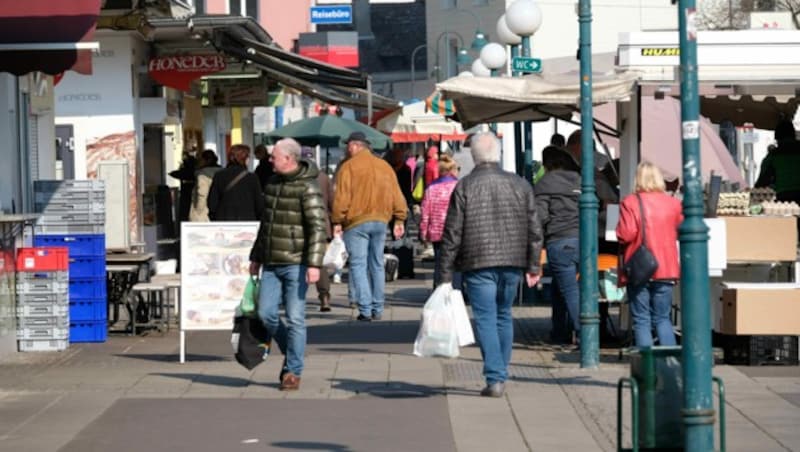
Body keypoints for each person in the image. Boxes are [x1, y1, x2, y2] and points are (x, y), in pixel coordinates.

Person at [440, 132, 543, 398]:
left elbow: (453, 233)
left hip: (478, 261)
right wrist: (533, 265)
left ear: (474, 156)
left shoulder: (464, 186)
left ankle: (495, 377)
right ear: (497, 154)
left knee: (485, 317)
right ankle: (500, 372)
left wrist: (444, 274)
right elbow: (535, 229)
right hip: (512, 261)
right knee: (503, 315)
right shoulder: (520, 185)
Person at [248, 138, 328, 391]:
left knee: (295, 318)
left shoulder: (308, 187)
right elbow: (266, 225)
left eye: (274, 156)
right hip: (271, 261)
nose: (269, 160)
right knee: (265, 313)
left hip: (297, 263)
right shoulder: (271, 183)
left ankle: (293, 371)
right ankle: (291, 350)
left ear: (289, 159)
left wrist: (314, 264)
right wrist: (256, 256)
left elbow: (317, 227)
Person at [331, 132, 408, 321]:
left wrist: (337, 220)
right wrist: (399, 218)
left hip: (356, 221)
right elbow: (396, 194)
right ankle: (378, 308)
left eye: (348, 145)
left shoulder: (348, 167)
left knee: (358, 264)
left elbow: (342, 198)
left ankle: (365, 309)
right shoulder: (385, 167)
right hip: (381, 220)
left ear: (356, 146)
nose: (347, 148)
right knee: (377, 264)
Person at [616, 162, 682, 348]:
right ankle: (669, 363)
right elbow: (680, 230)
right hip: (666, 267)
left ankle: (646, 366)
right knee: (662, 318)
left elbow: (626, 234)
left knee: (642, 320)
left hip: (640, 268)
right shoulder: (673, 204)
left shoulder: (630, 202)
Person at [534, 145, 581, 345]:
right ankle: (560, 331)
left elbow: (540, 217)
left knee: (569, 290)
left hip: (560, 241)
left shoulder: (545, 183)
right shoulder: (580, 180)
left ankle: (585, 336)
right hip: (583, 241)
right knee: (561, 287)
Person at [420, 154, 460, 289]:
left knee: (439, 262)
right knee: (456, 263)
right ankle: (457, 291)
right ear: (453, 170)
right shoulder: (459, 187)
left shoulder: (431, 188)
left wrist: (423, 233)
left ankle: (439, 290)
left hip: (437, 232)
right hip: (456, 231)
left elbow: (425, 213)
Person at [303, 147, 335, 312]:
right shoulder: (323, 177)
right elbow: (331, 202)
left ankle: (297, 298)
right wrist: (334, 223)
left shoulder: (297, 177)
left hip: (301, 225)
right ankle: (324, 296)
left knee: (299, 262)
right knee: (319, 263)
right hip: (322, 226)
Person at [207, 144, 264, 221]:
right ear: (245, 159)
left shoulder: (219, 176)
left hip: (224, 221)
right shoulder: (252, 178)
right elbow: (259, 205)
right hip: (247, 222)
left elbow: (212, 203)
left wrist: (215, 218)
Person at [755, 120, 800, 204]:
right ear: (794, 135)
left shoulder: (773, 156)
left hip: (784, 198)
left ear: (777, 138)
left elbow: (762, 182)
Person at [188, 150, 222, 222]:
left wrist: (198, 211)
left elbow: (202, 194)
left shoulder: (202, 175)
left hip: (203, 214)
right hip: (218, 212)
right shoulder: (222, 174)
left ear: (205, 160)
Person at [168, 149, 198, 222]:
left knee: (184, 213)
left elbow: (173, 173)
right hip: (195, 194)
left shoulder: (184, 172)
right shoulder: (197, 172)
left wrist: (181, 168)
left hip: (185, 194)